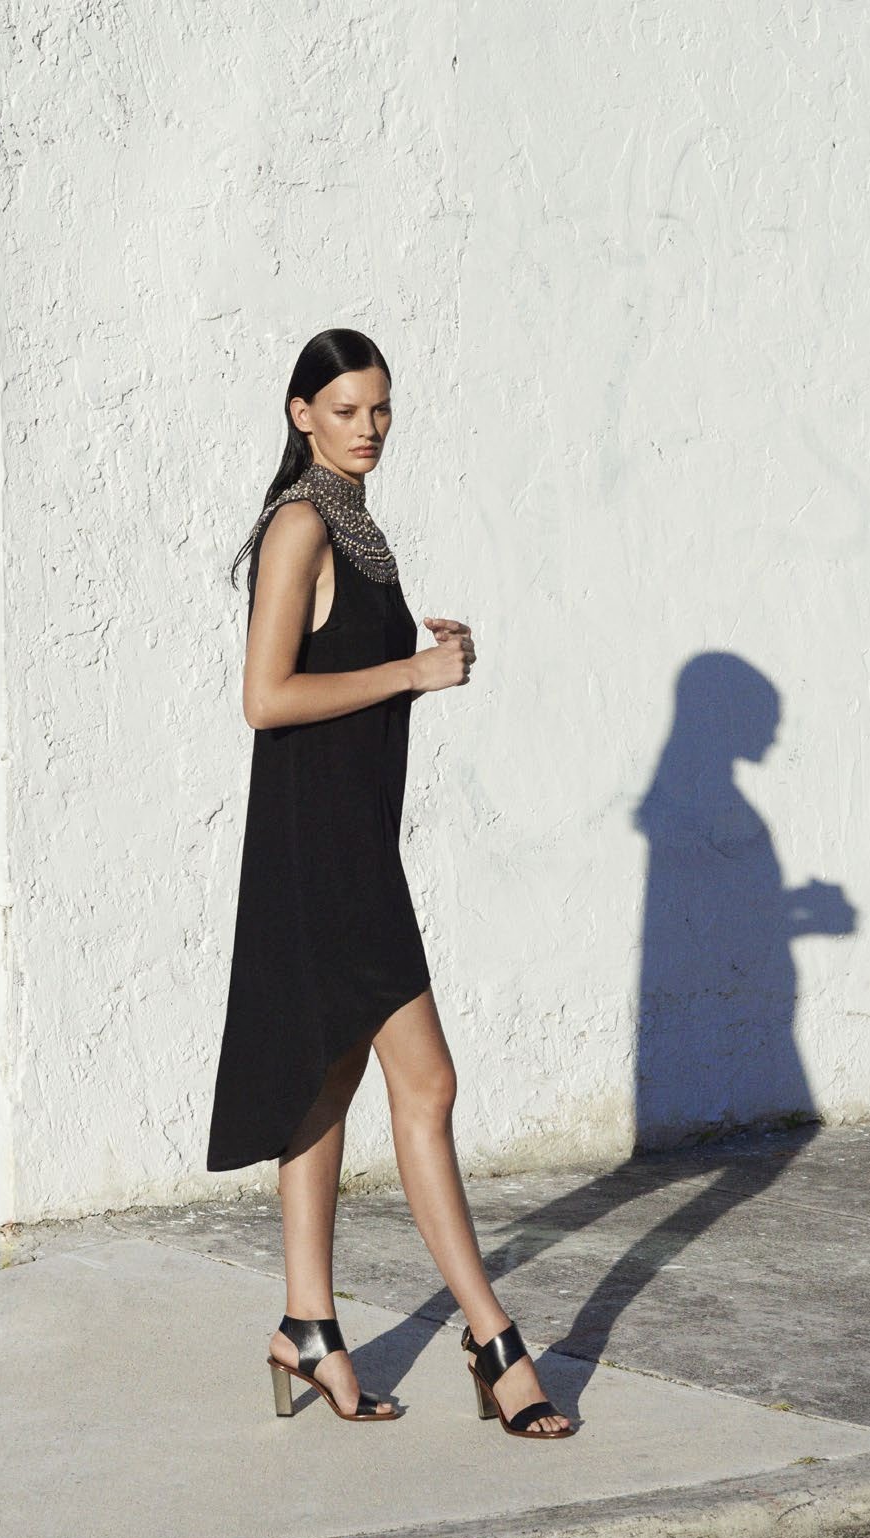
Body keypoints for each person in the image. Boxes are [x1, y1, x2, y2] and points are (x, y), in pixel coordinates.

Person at [206, 328, 571, 1440]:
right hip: (319, 852)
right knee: (429, 1083)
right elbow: (265, 698)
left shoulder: (358, 525)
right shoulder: (302, 525)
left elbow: (344, 676)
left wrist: (424, 666)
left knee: (328, 1082)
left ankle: (307, 1328)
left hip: (358, 840)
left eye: (382, 410)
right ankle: (493, 1339)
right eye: (346, 410)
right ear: (300, 413)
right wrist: (411, 669)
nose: (368, 429)